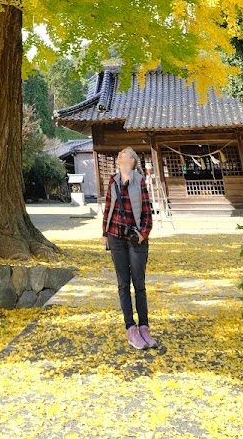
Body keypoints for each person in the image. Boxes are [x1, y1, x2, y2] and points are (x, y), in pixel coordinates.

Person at [102, 146, 156, 350]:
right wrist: (104, 233)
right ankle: (130, 328)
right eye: (118, 154)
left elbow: (146, 210)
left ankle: (144, 327)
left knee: (139, 284)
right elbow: (108, 207)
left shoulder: (139, 181)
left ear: (132, 161)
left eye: (122, 154)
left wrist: (144, 234)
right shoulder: (113, 181)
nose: (119, 156)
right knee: (123, 284)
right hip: (116, 237)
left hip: (136, 239)